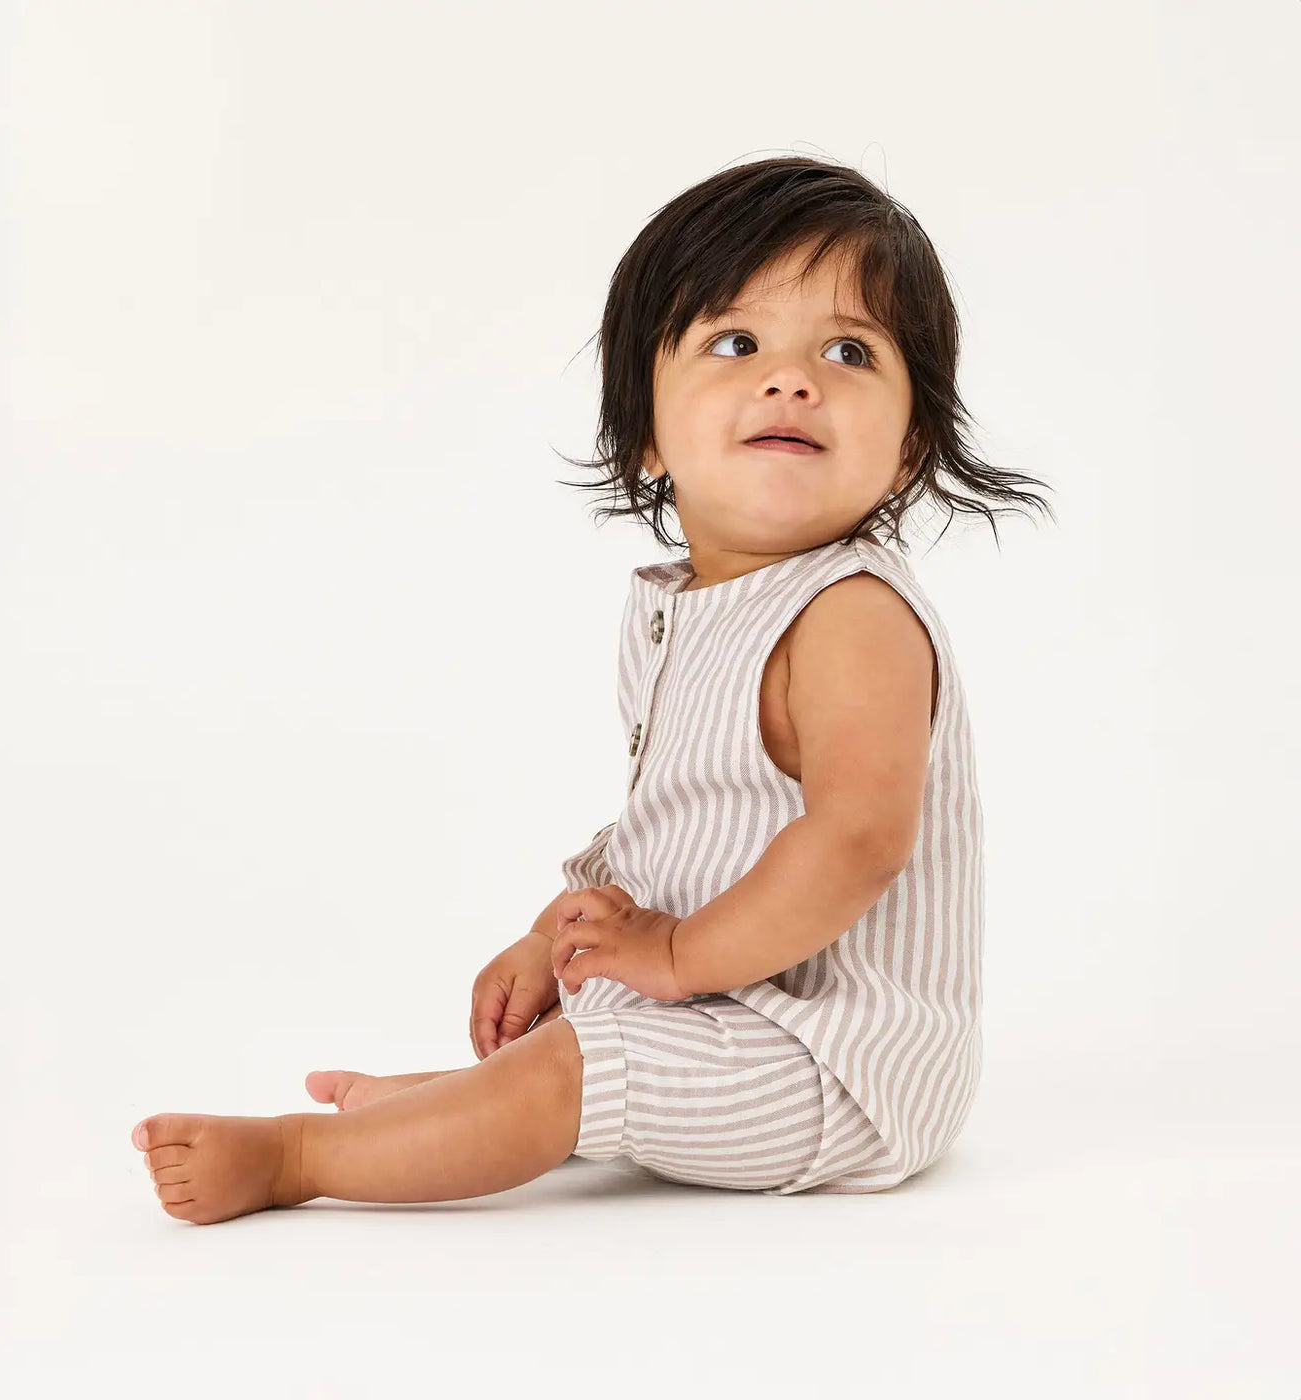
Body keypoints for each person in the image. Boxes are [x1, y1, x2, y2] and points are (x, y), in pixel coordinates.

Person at [130, 155, 1055, 1224]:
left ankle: (303, 1159)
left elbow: (856, 839)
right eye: (733, 342)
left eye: (848, 351)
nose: (791, 379)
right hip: (729, 1005)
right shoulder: (683, 605)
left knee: (563, 1074)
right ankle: (419, 1116)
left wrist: (670, 953)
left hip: (837, 1062)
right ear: (649, 432)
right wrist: (555, 933)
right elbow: (675, 819)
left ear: (907, 450)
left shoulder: (851, 614)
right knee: (555, 1053)